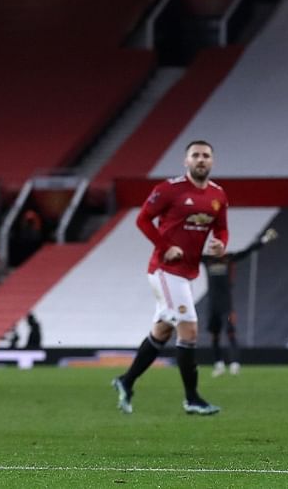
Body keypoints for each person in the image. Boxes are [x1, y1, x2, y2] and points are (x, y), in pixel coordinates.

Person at [111, 140, 228, 416]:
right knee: (189, 329)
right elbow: (142, 219)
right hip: (165, 271)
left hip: (186, 273)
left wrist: (221, 244)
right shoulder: (169, 190)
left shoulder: (218, 195)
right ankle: (192, 399)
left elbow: (222, 230)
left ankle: (126, 382)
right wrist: (166, 247)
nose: (201, 160)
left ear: (212, 162)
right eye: (196, 155)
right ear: (185, 161)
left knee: (162, 331)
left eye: (206, 156)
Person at [201, 227, 278, 376]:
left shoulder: (229, 259)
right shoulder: (207, 260)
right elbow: (189, 254)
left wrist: (265, 239)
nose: (213, 249)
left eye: (216, 246)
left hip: (226, 305)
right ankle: (219, 365)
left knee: (230, 333)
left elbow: (248, 251)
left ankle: (235, 364)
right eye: (211, 247)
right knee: (214, 336)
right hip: (212, 305)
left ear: (221, 247)